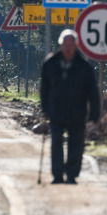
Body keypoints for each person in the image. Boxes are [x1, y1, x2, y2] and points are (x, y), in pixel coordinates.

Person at [40, 29, 100, 184]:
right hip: (56, 112)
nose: (68, 47)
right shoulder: (50, 63)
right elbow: (44, 89)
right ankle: (58, 175)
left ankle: (72, 174)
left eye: (71, 44)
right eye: (65, 44)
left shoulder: (84, 66)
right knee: (56, 141)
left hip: (77, 112)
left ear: (76, 46)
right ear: (60, 45)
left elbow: (93, 93)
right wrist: (45, 108)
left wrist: (94, 115)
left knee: (76, 144)